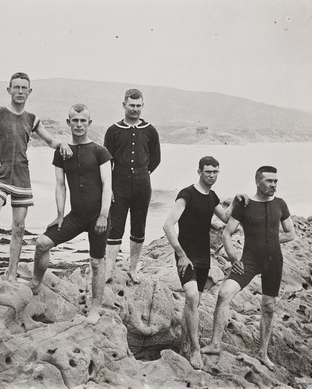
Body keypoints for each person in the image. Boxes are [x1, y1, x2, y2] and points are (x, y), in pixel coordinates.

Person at [0, 72, 72, 283]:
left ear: (29, 91)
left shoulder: (32, 119)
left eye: (23, 88)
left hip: (21, 176)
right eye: (16, 87)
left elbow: (49, 141)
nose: (20, 91)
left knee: (18, 227)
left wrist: (62, 143)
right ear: (8, 89)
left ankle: (11, 274)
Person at [201, 166, 295, 370]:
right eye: (269, 181)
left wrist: (269, 239)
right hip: (249, 260)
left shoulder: (281, 204)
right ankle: (215, 344)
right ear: (258, 181)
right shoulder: (245, 204)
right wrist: (233, 257)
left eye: (276, 181)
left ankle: (262, 353)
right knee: (224, 293)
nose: (273, 185)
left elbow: (290, 233)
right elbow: (227, 233)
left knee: (269, 307)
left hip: (274, 261)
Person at [30, 104, 112, 324]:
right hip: (75, 216)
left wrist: (104, 215)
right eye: (74, 120)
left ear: (89, 123)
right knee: (42, 243)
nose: (78, 124)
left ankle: (95, 309)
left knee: (96, 263)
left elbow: (107, 185)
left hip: (98, 217)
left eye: (82, 121)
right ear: (68, 122)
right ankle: (36, 284)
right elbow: (60, 186)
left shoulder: (100, 151)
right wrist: (59, 214)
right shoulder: (62, 152)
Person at [163, 156, 247, 369]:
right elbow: (168, 225)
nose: (212, 175)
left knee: (193, 303)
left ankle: (183, 345)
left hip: (203, 256)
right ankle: (195, 349)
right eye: (208, 171)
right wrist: (181, 254)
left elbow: (226, 218)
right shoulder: (186, 194)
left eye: (215, 172)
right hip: (186, 255)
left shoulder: (212, 197)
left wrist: (237, 201)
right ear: (199, 171)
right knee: (191, 297)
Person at [104, 89, 161, 282]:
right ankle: (109, 269)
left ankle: (133, 269)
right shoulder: (113, 130)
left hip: (142, 185)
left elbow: (156, 158)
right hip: (118, 184)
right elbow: (105, 162)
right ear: (124, 105)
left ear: (142, 106)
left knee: (139, 227)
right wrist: (109, 187)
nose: (135, 109)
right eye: (131, 105)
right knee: (115, 227)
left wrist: (141, 174)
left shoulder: (150, 130)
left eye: (138, 106)